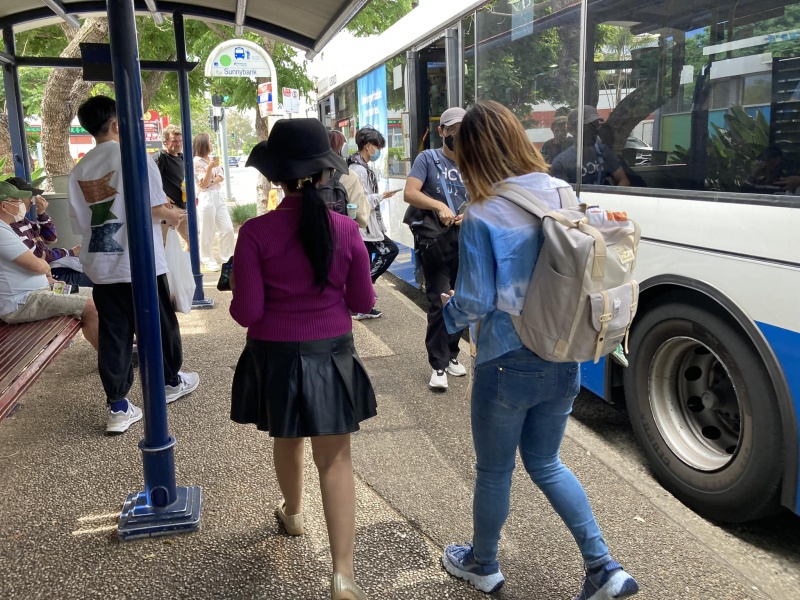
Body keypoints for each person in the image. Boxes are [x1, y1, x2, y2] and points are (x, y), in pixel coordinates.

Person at [440, 101, 639, 600]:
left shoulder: (482, 212)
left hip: (506, 360)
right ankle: (604, 568)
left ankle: (483, 563)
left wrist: (446, 315)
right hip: (564, 350)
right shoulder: (562, 191)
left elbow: (476, 300)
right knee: (547, 462)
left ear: (472, 154)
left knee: (494, 471)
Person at [230, 118, 376, 600]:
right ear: (325, 173)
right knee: (335, 459)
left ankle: (293, 514)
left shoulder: (255, 233)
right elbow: (361, 301)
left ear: (275, 177)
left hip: (273, 354)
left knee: (287, 436)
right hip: (330, 351)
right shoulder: (346, 230)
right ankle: (343, 576)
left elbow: (247, 312)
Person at [68, 95, 200, 435]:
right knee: (160, 325)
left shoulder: (80, 168)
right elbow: (153, 209)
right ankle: (170, 382)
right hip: (139, 261)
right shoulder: (135, 156)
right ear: (117, 124)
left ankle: (118, 406)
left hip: (101, 265)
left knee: (114, 335)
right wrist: (173, 215)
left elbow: (80, 222)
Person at [403, 107, 469, 390]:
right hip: (436, 242)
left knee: (462, 300)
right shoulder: (428, 159)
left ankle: (452, 353)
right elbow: (410, 192)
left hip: (467, 241)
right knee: (440, 299)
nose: (457, 135)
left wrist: (472, 213)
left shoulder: (474, 163)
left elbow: (485, 197)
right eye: (452, 130)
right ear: (441, 131)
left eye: (463, 130)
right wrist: (439, 205)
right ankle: (439, 364)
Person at [0, 180, 99, 352]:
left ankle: (116, 349)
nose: (24, 204)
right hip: (22, 301)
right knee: (89, 306)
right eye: (17, 201)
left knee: (99, 295)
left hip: (45, 288)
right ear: (4, 205)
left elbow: (48, 242)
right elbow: (38, 264)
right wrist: (45, 269)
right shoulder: (2, 232)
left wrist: (47, 276)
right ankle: (111, 361)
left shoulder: (9, 227)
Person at [346, 127, 399, 320]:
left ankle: (362, 304)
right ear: (368, 146)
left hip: (365, 226)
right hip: (365, 226)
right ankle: (364, 291)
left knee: (364, 263)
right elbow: (361, 201)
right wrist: (381, 196)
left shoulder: (358, 167)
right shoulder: (358, 170)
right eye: (378, 147)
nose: (379, 151)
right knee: (390, 250)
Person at [4, 176, 92, 287]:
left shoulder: (25, 222)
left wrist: (42, 214)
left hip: (50, 269)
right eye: (29, 196)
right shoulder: (10, 228)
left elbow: (51, 238)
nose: (32, 200)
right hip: (46, 274)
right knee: (93, 277)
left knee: (94, 270)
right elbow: (39, 255)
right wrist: (70, 252)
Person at [551, 106, 630, 187]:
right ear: (572, 130)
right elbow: (562, 192)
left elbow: (623, 180)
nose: (595, 131)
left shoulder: (602, 151)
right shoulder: (561, 163)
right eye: (589, 127)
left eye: (596, 125)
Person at [192, 132, 234, 272]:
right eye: (209, 142)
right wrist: (209, 169)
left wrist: (210, 181)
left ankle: (227, 258)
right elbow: (203, 183)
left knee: (227, 228)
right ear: (204, 144)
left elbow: (221, 176)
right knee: (207, 230)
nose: (211, 144)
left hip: (217, 195)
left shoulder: (211, 159)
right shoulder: (196, 162)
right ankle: (207, 259)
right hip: (205, 197)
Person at [154, 124, 190, 249]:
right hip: (169, 207)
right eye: (174, 141)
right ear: (165, 142)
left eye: (180, 141)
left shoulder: (183, 157)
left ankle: (189, 261)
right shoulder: (161, 157)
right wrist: (163, 196)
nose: (178, 144)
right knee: (165, 242)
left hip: (184, 205)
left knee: (192, 240)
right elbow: (152, 180)